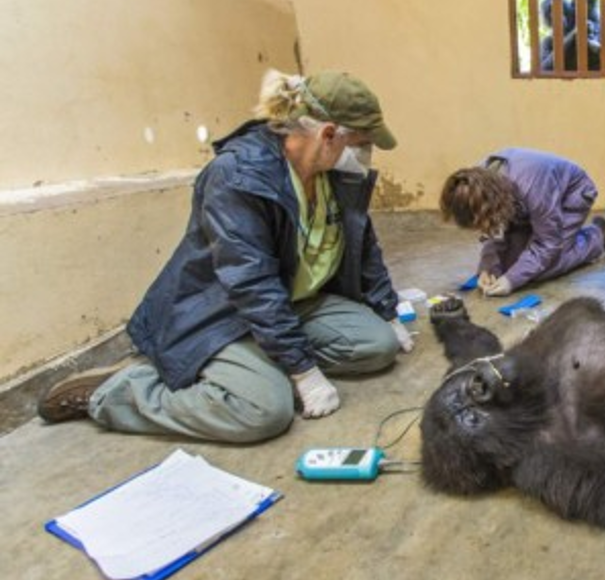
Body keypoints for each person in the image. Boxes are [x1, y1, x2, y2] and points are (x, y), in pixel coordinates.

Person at [37, 69, 415, 443]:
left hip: (293, 301)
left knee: (376, 346)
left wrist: (386, 310)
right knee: (264, 412)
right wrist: (303, 372)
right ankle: (118, 392)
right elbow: (252, 283)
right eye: (362, 142)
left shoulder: (333, 173)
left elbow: (362, 242)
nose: (365, 154)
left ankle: (256, 367)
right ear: (328, 134)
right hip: (221, 315)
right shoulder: (238, 175)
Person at [439, 148, 605, 297]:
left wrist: (511, 281)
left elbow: (548, 244)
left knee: (545, 267)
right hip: (525, 205)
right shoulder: (474, 186)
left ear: (491, 208)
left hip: (571, 194)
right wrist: (488, 268)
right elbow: (493, 231)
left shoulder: (533, 188)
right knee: (511, 264)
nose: (480, 230)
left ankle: (598, 237)